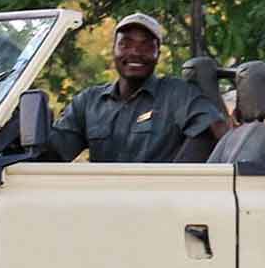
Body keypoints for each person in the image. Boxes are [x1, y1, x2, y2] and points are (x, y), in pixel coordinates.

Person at [48, 13, 227, 163]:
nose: (135, 52)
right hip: (102, 200)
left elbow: (212, 132)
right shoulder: (89, 102)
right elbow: (55, 152)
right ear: (114, 50)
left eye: (146, 45)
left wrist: (174, 181)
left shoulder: (178, 94)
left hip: (159, 201)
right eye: (125, 44)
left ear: (158, 53)